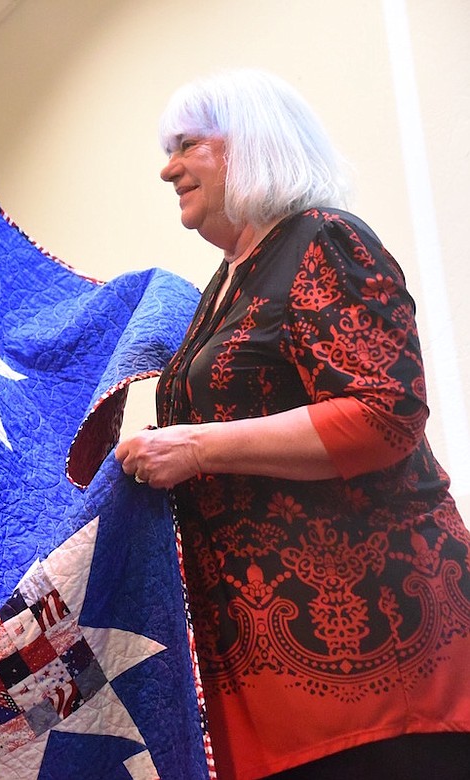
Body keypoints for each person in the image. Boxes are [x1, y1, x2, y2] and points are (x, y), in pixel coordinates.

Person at [115, 69, 470, 780]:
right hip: (267, 675)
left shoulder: (323, 241)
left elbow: (383, 412)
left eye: (187, 145)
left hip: (379, 662)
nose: (167, 168)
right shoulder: (225, 286)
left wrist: (197, 445)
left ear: (249, 146)